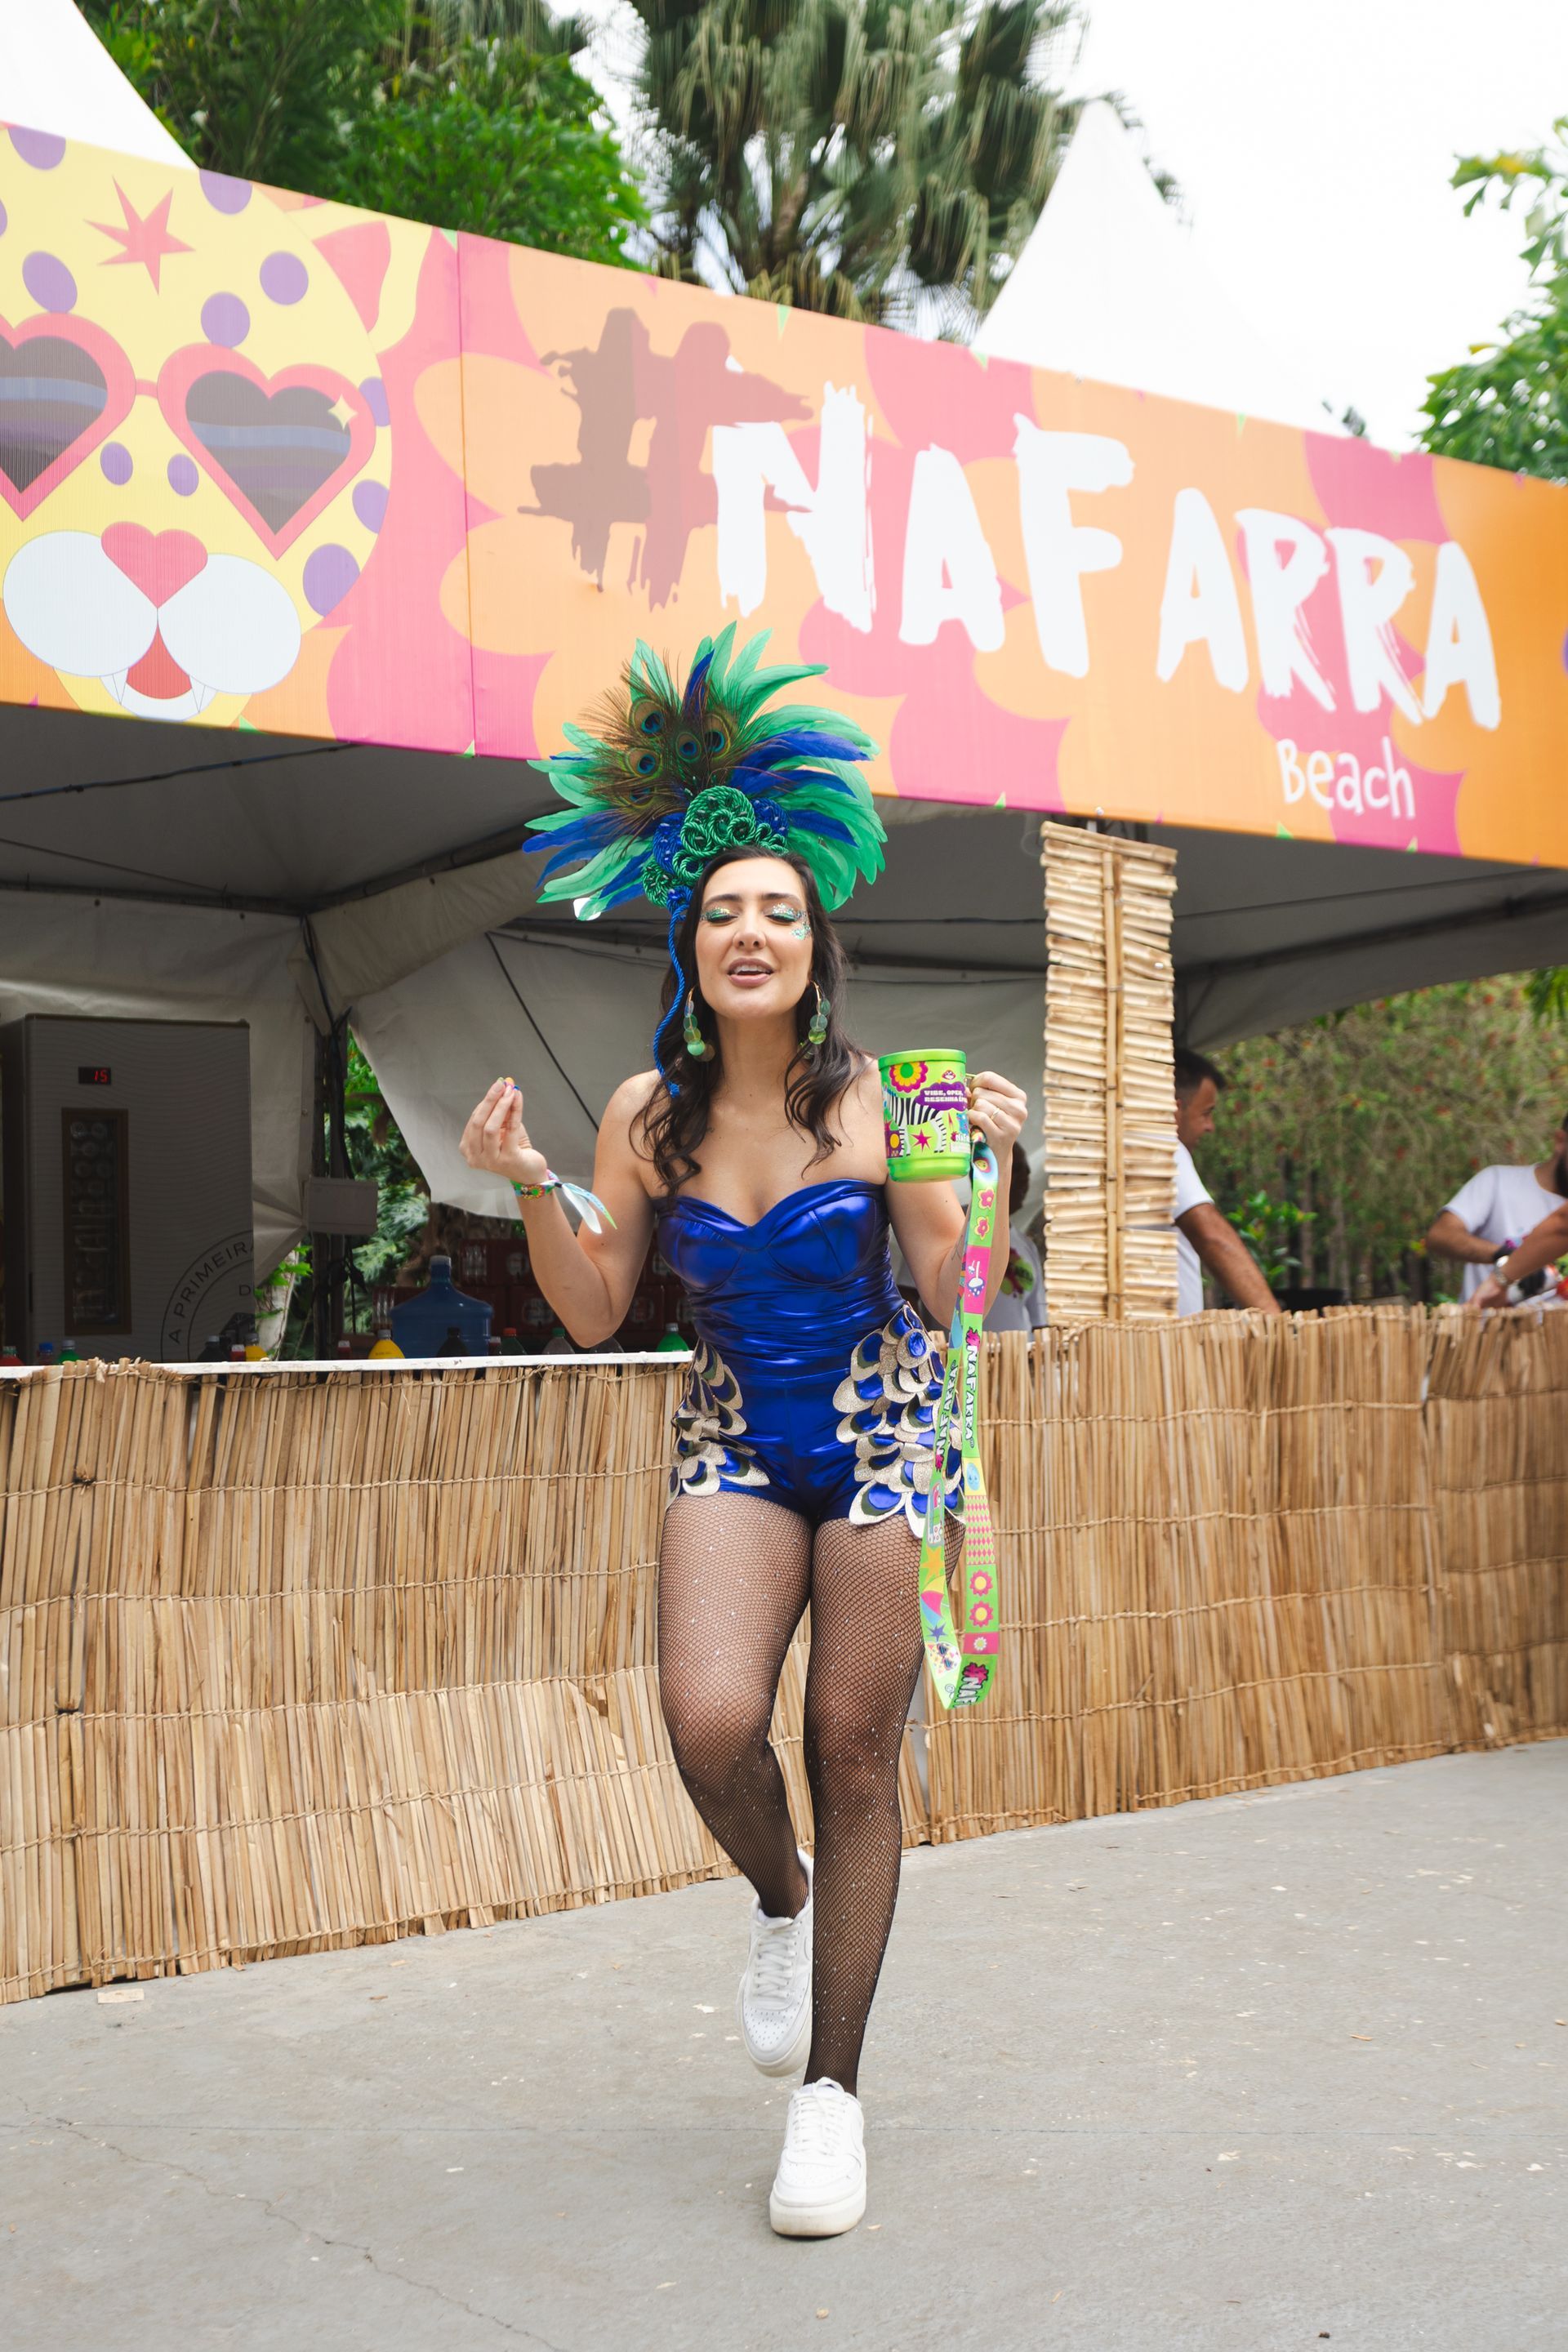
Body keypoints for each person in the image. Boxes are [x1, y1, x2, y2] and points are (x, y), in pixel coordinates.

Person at [459, 625, 1027, 2243]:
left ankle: (830, 2097)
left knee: (852, 1744)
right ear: (689, 947)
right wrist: (530, 1188)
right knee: (711, 1723)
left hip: (887, 1436)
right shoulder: (643, 1116)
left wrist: (988, 1170)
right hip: (732, 1438)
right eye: (723, 912)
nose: (752, 931)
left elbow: (957, 1296)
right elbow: (592, 1308)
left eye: (779, 909)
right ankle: (783, 1900)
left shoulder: (908, 1093)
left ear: (816, 941)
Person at [1172, 1046, 1282, 1316]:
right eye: (1206, 1113)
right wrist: (1276, 1323)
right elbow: (1212, 1237)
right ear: (1175, 1109)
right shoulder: (1163, 1147)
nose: (1210, 1126)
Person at [1425, 1120, 1568, 1306]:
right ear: (1560, 1141)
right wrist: (1504, 1255)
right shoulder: (1498, 1181)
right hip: (1481, 1321)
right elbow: (1440, 1235)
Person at [984, 1151, 1047, 1335]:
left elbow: (1039, 1320)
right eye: (1017, 1169)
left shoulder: (1027, 1246)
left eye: (1027, 1171)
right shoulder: (954, 1227)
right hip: (960, 1353)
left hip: (1020, 1352)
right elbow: (911, 1294)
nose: (1025, 1178)